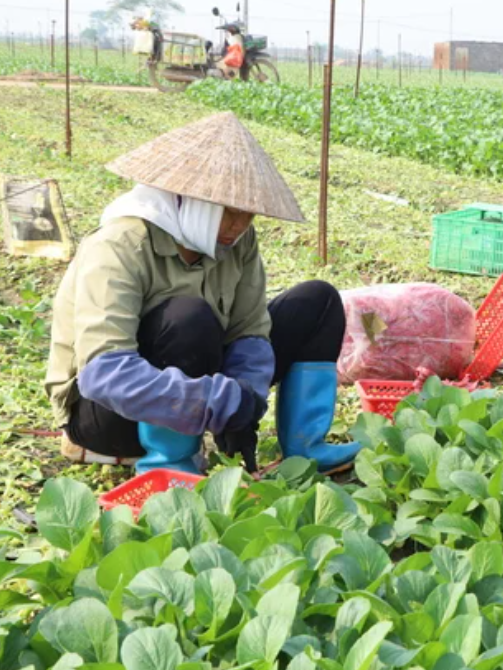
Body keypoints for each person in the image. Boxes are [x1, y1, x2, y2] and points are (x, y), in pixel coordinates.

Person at [45, 112, 361, 474]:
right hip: (108, 414)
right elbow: (105, 375)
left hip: (199, 378)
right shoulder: (120, 244)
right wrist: (219, 401)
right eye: (228, 213)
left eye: (249, 216)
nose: (238, 227)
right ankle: (174, 464)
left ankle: (306, 451)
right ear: (189, 198)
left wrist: (245, 399)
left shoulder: (237, 241)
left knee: (317, 302)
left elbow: (250, 333)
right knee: (187, 317)